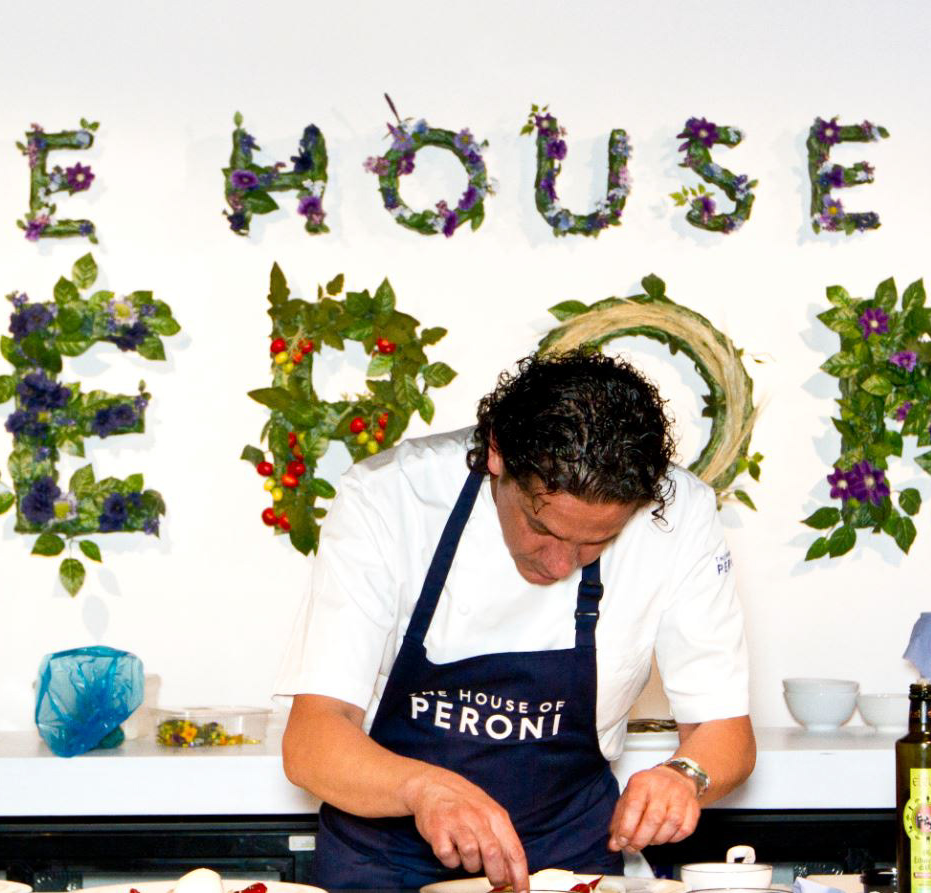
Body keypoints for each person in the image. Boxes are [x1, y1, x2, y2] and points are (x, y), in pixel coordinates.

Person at [275, 351, 754, 891]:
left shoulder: (681, 514)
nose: (560, 565)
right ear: (497, 453)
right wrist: (423, 789)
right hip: (382, 865)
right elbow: (311, 743)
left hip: (567, 866)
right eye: (541, 528)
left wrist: (685, 776)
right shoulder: (390, 496)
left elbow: (725, 732)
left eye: (597, 541)